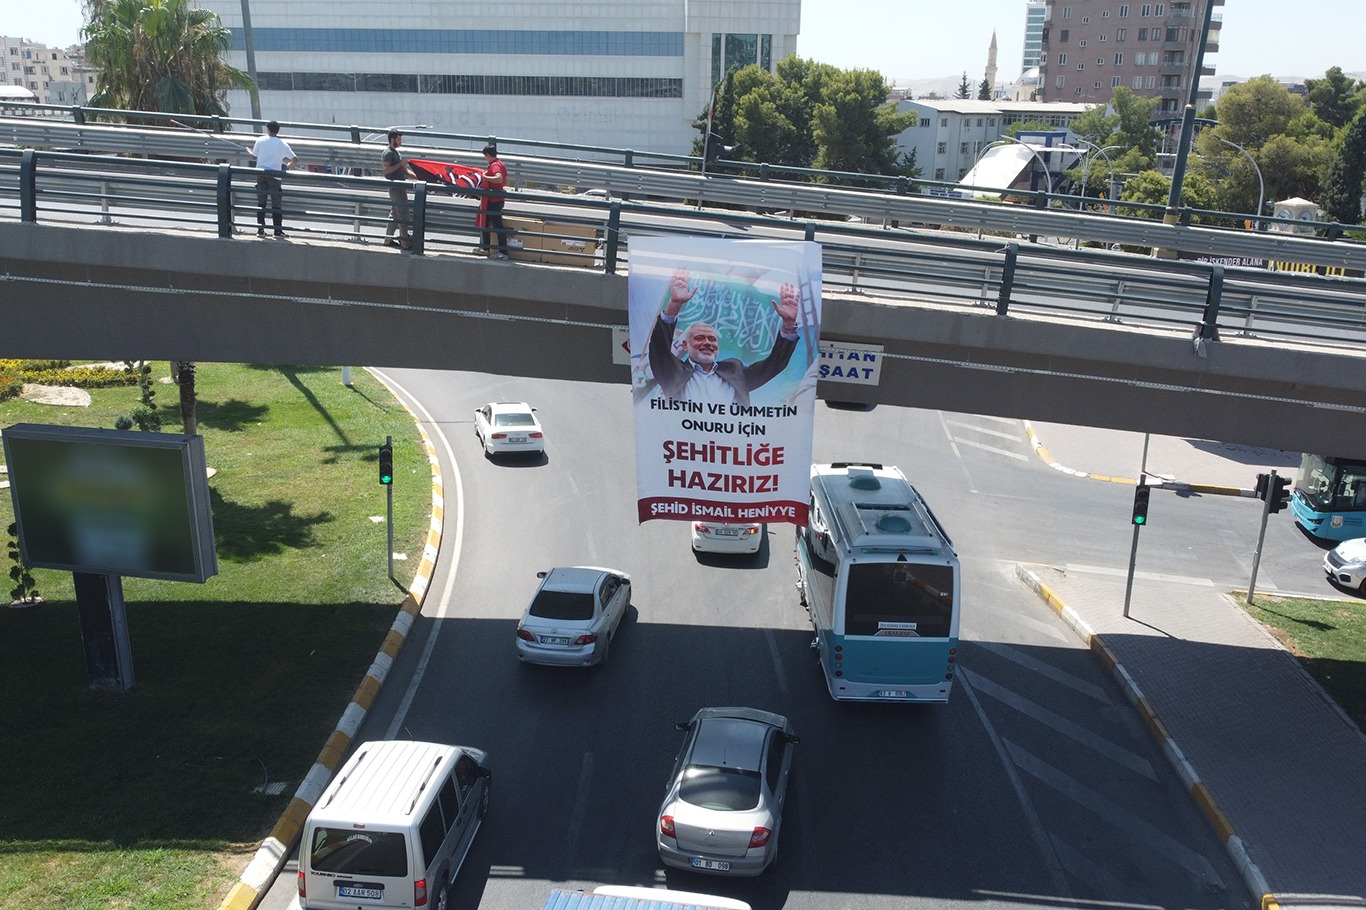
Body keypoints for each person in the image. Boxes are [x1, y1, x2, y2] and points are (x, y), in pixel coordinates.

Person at [647, 268, 800, 407]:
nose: (707, 342)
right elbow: (658, 348)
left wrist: (788, 323)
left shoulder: (735, 371)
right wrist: (674, 304)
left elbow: (775, 363)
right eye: (699, 338)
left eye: (712, 339)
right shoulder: (672, 371)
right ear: (685, 345)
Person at [248, 121, 298, 239]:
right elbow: (295, 159)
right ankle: (277, 231)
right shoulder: (282, 143)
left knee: (261, 203)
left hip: (260, 174)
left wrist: (248, 150)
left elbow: (254, 156)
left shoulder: (260, 140)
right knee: (276, 204)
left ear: (268, 129)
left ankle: (260, 230)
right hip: (275, 176)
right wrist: (287, 166)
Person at [382, 129, 418, 249]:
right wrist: (400, 164)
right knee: (403, 215)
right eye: (399, 139)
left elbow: (405, 171)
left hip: (399, 187)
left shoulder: (396, 153)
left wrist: (419, 177)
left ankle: (388, 240)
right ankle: (405, 243)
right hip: (396, 188)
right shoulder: (388, 153)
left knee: (395, 215)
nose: (400, 141)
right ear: (392, 139)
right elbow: (386, 171)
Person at [478, 143, 510, 259]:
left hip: (493, 200)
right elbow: (505, 182)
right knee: (488, 223)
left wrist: (485, 177)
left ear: (488, 155)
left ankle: (503, 252)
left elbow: (499, 178)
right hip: (498, 199)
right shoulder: (501, 164)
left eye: (485, 156)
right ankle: (486, 248)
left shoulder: (494, 165)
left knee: (497, 226)